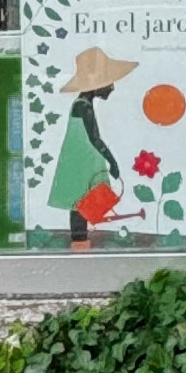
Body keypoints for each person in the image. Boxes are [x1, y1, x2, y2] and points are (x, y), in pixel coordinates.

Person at [45, 43, 135, 238]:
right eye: (108, 82)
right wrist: (112, 161)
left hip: (83, 164)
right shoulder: (83, 106)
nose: (112, 87)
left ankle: (80, 240)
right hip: (80, 166)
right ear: (96, 84)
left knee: (83, 206)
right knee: (80, 206)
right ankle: (79, 241)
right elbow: (95, 139)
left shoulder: (83, 104)